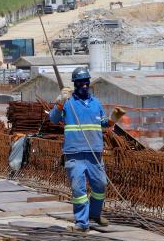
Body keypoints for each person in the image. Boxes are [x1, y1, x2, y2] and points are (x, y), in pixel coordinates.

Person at [48, 67, 124, 231]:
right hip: (74, 154)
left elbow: (103, 124)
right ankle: (82, 223)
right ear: (75, 84)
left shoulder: (96, 103)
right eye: (80, 82)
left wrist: (113, 119)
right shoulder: (68, 103)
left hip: (94, 154)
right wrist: (60, 102)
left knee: (100, 185)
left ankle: (94, 214)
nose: (84, 85)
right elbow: (53, 119)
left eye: (86, 82)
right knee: (79, 189)